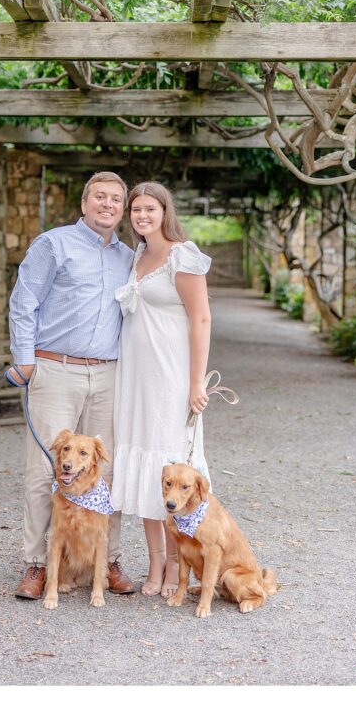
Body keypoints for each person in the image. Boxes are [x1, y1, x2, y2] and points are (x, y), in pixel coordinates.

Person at [9, 171, 136, 600]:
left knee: (106, 467)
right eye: (100, 196)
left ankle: (109, 558)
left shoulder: (128, 257)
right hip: (55, 368)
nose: (108, 204)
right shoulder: (53, 244)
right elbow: (24, 300)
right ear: (84, 204)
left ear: (123, 209)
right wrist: (25, 360)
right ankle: (38, 564)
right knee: (44, 467)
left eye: (116, 199)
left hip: (108, 373)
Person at [110, 182, 212, 598]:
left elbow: (201, 319)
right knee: (147, 473)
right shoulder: (137, 253)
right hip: (135, 379)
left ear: (165, 211)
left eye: (150, 208)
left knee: (171, 472)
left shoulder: (181, 255)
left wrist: (196, 382)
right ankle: (154, 562)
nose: (141, 215)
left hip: (171, 377)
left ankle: (177, 568)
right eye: (135, 209)